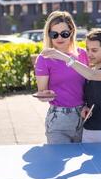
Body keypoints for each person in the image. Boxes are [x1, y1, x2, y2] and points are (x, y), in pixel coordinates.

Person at [40, 28, 101, 143]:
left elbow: (92, 75)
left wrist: (64, 57)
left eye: (94, 50)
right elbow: (90, 94)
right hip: (89, 129)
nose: (89, 54)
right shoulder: (89, 71)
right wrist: (85, 106)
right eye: (88, 49)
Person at [34, 11, 88, 144]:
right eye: (54, 34)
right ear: (49, 35)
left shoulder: (83, 54)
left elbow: (90, 84)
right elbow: (42, 93)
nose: (59, 38)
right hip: (58, 120)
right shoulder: (44, 58)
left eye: (64, 33)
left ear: (72, 31)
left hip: (85, 116)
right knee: (57, 162)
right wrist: (45, 94)